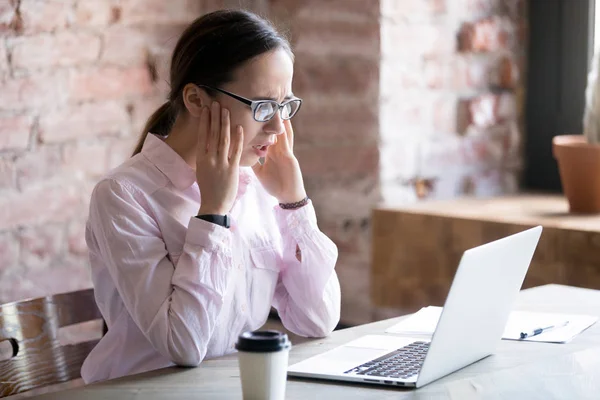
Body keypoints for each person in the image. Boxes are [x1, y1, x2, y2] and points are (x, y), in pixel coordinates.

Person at [81, 9, 341, 383]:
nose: (277, 126)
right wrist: (214, 213)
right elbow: (183, 346)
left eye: (285, 106)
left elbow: (318, 320)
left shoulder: (257, 187)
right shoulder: (124, 196)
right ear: (197, 101)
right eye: (263, 106)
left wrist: (294, 203)